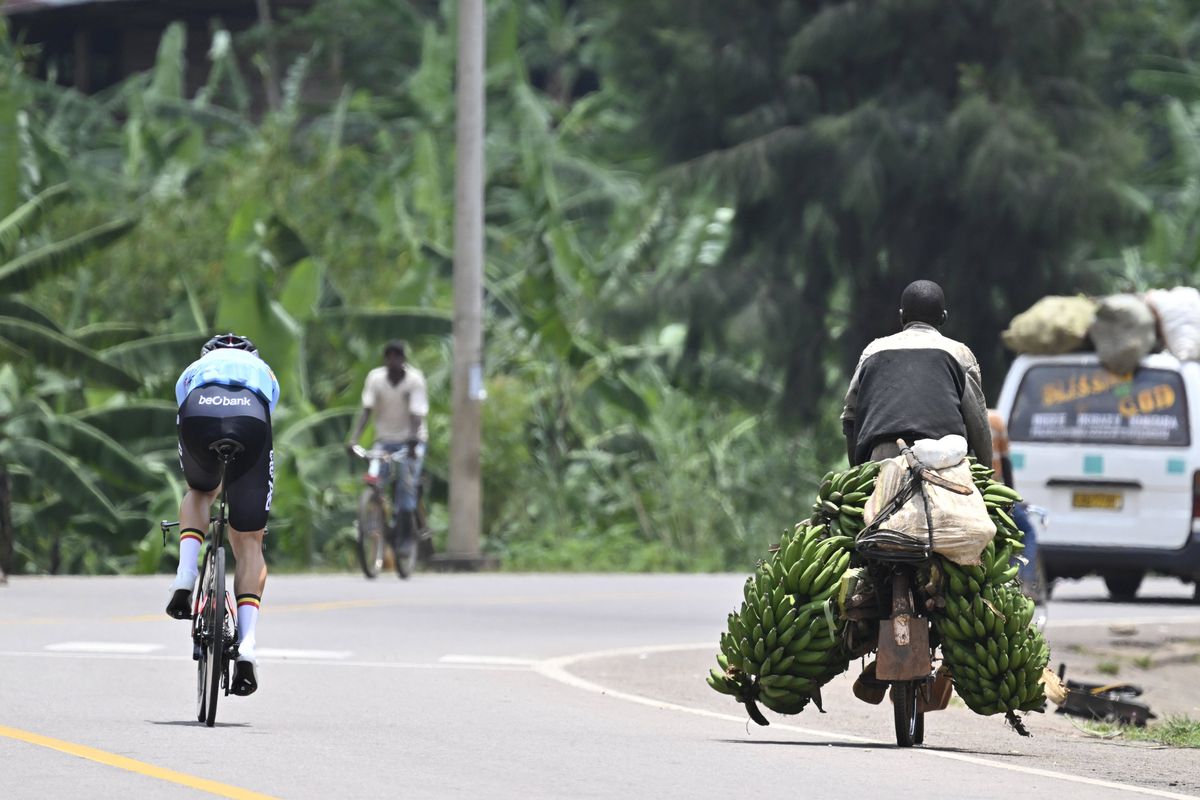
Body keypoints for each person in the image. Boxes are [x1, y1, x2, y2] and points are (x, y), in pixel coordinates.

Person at [166, 333, 280, 697]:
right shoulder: (265, 372)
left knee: (200, 491)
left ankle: (186, 574)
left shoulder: (194, 369)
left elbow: (182, 414)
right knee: (249, 540)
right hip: (251, 418)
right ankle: (247, 645)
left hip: (199, 412)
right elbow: (266, 419)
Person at [841, 280, 992, 468]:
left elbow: (850, 419)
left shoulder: (872, 351)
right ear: (943, 317)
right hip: (945, 458)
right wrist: (987, 476)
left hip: (882, 457)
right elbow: (978, 424)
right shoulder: (959, 354)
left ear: (901, 317)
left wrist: (856, 471)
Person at [346, 340, 428, 556]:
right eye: (389, 356)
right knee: (375, 477)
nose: (393, 361)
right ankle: (374, 513)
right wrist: (354, 439)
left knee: (405, 488)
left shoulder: (414, 380)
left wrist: (412, 441)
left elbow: (416, 415)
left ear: (403, 360)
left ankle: (405, 538)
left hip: (411, 440)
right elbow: (366, 411)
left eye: (397, 356)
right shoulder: (376, 379)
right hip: (383, 440)